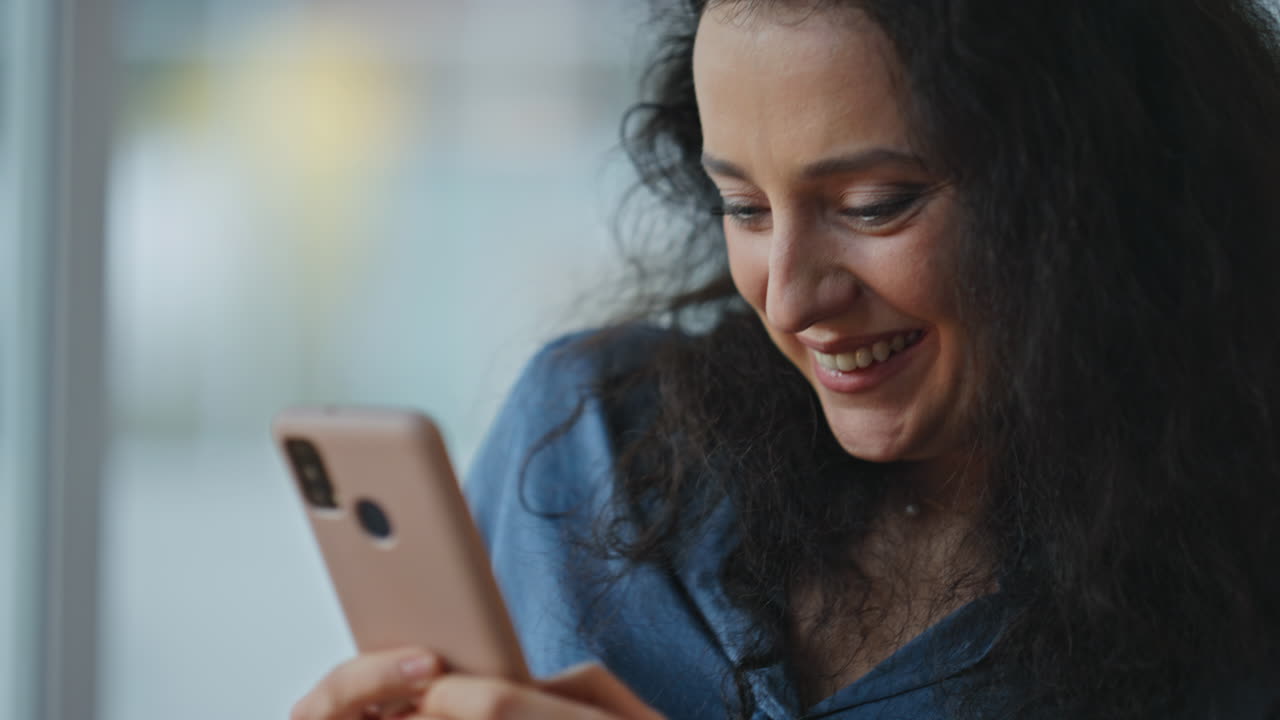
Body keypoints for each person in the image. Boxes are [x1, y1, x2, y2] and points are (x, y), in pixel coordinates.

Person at [291, 0, 1280, 718]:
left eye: (872, 205)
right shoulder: (588, 438)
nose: (790, 296)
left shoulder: (1237, 599)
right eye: (745, 209)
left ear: (1101, 187)